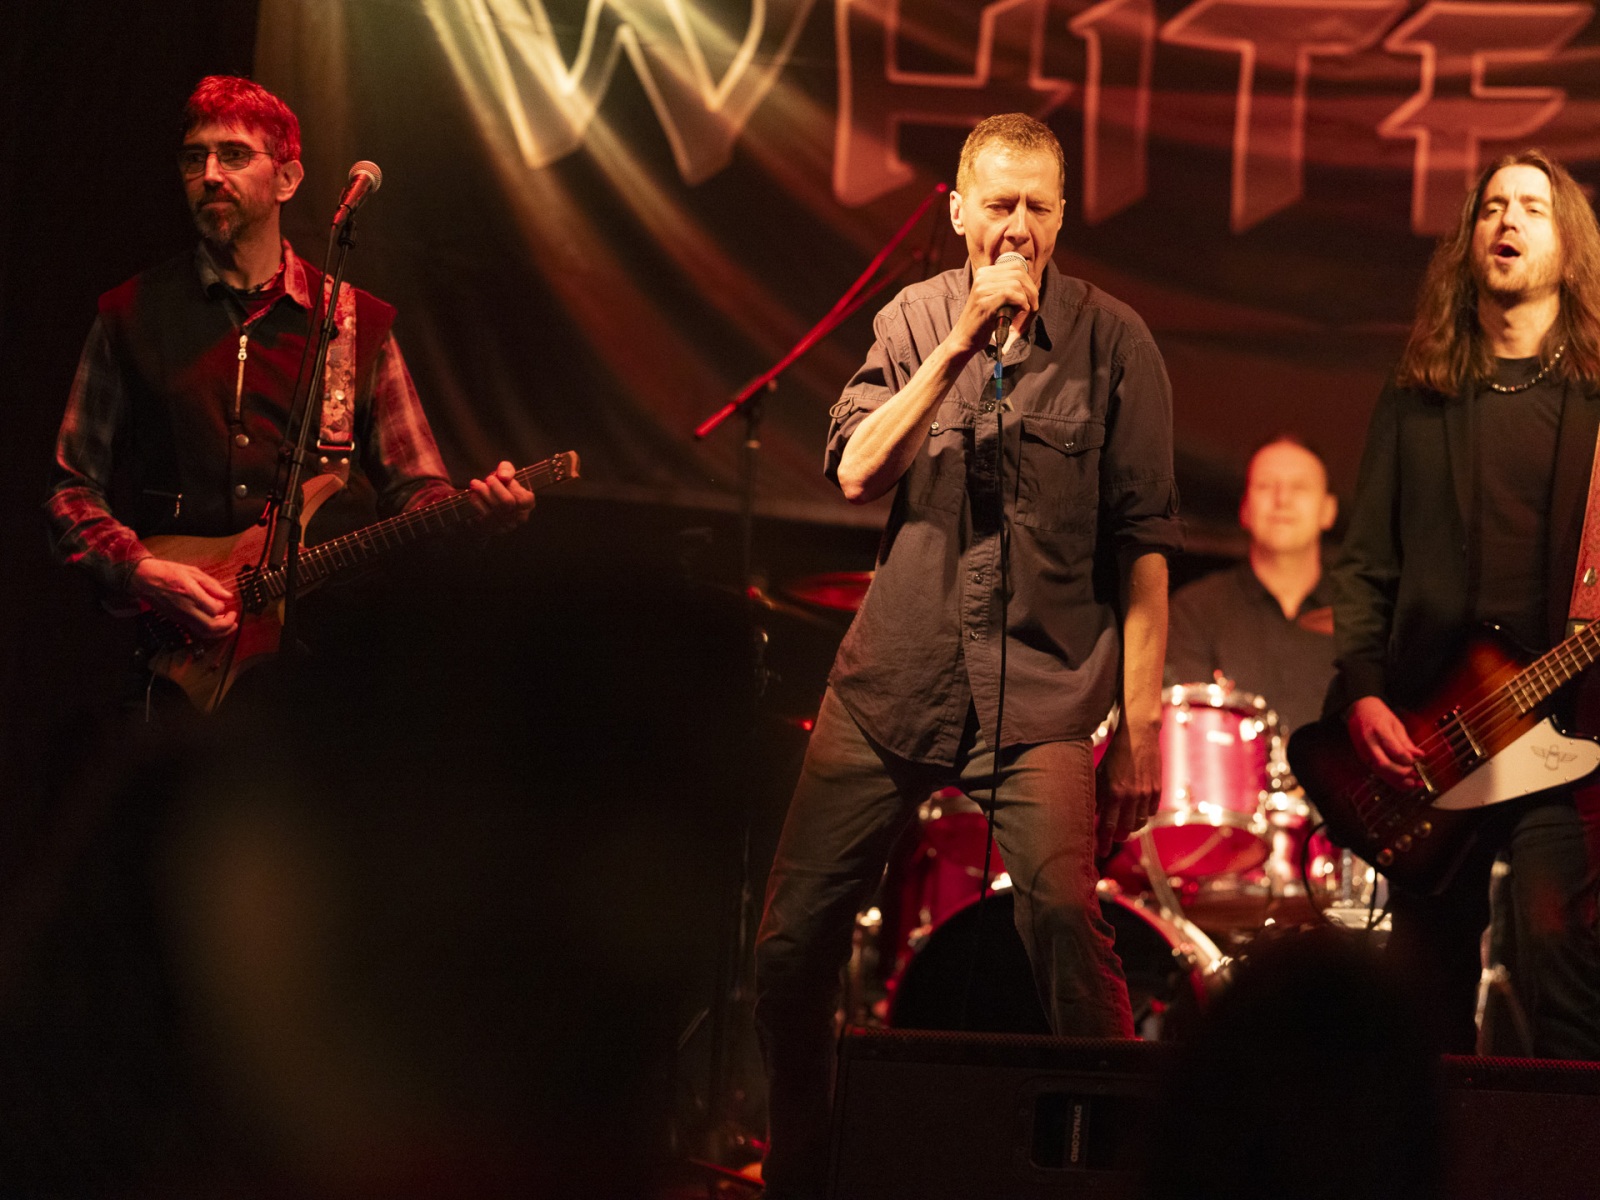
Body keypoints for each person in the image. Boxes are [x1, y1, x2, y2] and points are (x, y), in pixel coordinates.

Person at [752, 113, 1180, 1198]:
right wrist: (958, 344)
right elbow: (856, 471)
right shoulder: (913, 318)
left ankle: (1117, 1175)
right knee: (789, 949)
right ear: (957, 213)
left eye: (1038, 207)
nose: (1018, 228)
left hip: (1042, 693)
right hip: (892, 684)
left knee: (1065, 926)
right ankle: (806, 1169)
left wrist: (1138, 728)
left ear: (1062, 218)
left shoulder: (1116, 343)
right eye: (999, 205)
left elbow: (1144, 549)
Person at [45, 75, 533, 663]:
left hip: (331, 659)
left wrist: (472, 516)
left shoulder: (355, 322)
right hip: (178, 659)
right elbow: (72, 491)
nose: (210, 174)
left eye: (233, 155)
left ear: (287, 179)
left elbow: (415, 489)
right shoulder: (129, 313)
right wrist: (140, 570)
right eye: (195, 158)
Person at [1331, 149, 1600, 1057]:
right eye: (1492, 207)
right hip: (1434, 734)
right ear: (1469, 239)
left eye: (1531, 206)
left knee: (1562, 967)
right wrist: (1364, 690)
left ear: (1569, 243)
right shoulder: (1420, 392)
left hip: (1567, 733)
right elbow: (1366, 560)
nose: (1508, 220)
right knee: (1425, 992)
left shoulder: (1596, 398)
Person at [1167, 436, 1338, 737]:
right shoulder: (1194, 610)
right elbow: (1191, 736)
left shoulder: (1365, 614)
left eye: (1299, 487)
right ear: (1244, 509)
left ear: (1329, 510)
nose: (1282, 499)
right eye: (1266, 486)